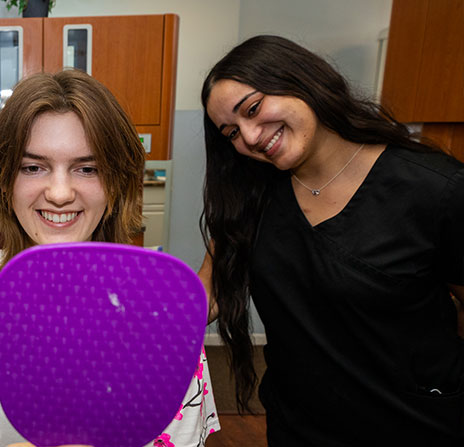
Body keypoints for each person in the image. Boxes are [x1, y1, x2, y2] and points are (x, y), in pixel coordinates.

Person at [0, 70, 220, 447]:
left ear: (117, 182)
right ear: (4, 179)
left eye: (87, 168)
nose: (60, 193)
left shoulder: (164, 310)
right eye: (33, 167)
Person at [199, 34, 464, 445]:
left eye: (252, 109)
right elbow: (207, 295)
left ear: (300, 80)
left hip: (413, 426)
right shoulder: (252, 198)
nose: (249, 137)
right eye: (231, 132)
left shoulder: (431, 188)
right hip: (299, 429)